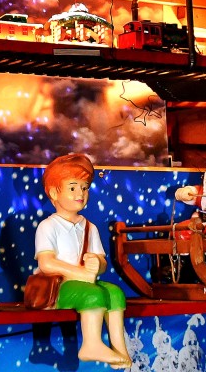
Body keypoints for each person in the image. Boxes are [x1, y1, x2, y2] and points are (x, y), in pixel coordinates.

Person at [34, 153, 130, 368]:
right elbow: (46, 264)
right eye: (72, 187)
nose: (80, 193)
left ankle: (119, 348)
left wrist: (98, 264)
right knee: (93, 293)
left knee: (114, 292)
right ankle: (91, 344)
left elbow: (102, 263)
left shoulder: (90, 227)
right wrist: (83, 274)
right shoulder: (48, 226)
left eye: (85, 187)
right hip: (58, 288)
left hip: (84, 283)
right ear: (53, 193)